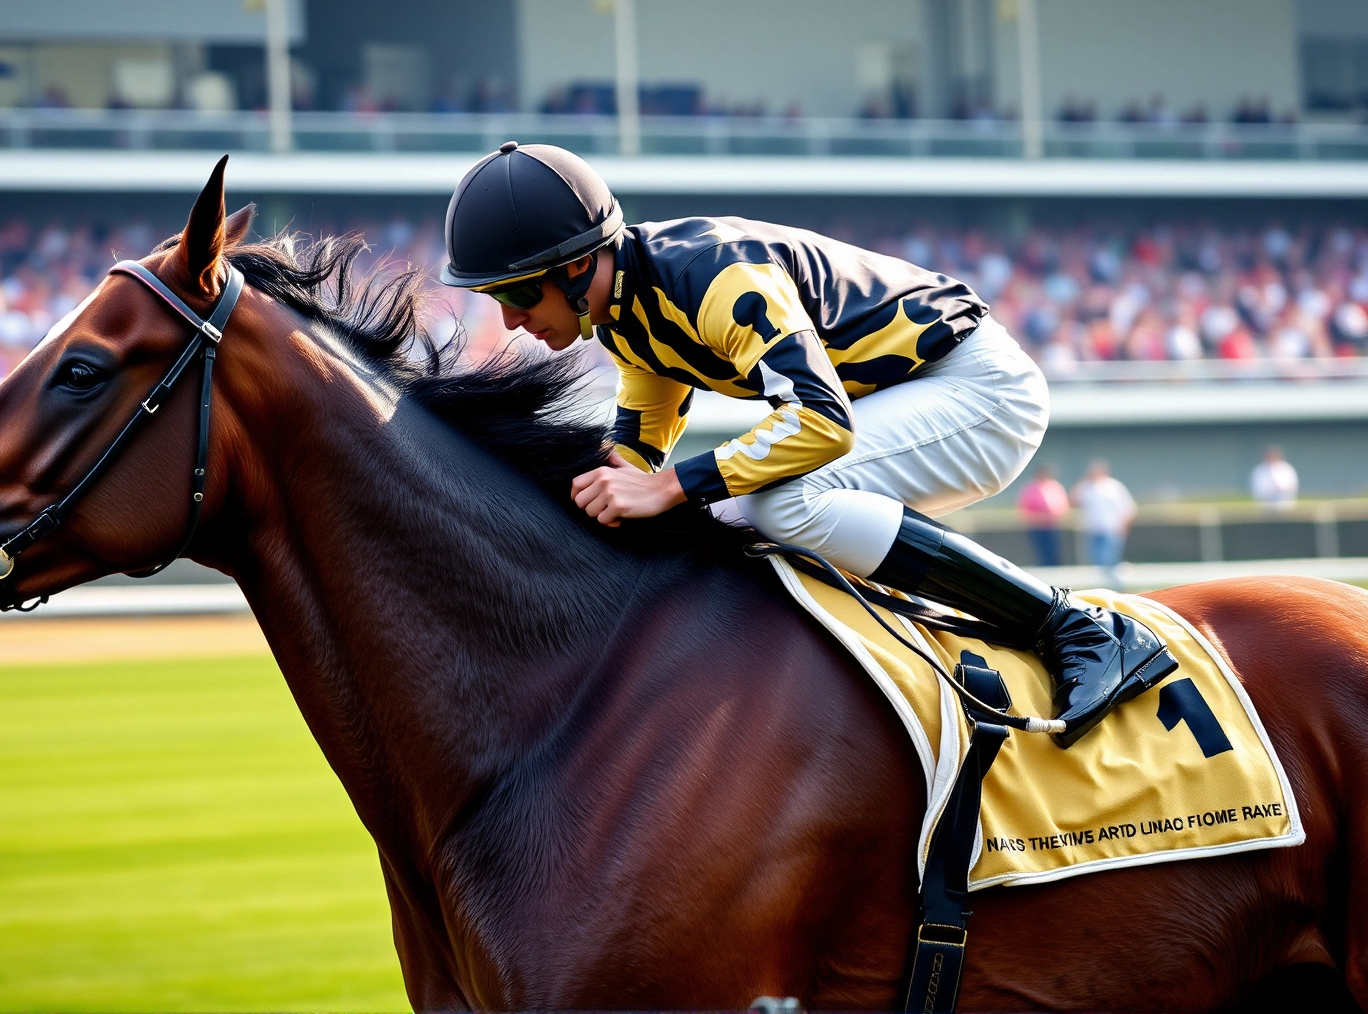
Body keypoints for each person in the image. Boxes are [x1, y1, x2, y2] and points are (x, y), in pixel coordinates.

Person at [438, 142, 1173, 746]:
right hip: (905, 396)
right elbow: (634, 455)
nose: (507, 323)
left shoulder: (710, 278)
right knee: (723, 517)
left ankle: (1076, 627)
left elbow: (821, 421)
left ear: (574, 268)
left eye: (516, 295)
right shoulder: (629, 316)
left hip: (979, 392)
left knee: (782, 500)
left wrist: (669, 487)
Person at [1073, 460, 1135, 588]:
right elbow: (1074, 500)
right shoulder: (1087, 486)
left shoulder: (1114, 486)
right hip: (1092, 531)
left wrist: (1124, 528)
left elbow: (1128, 509)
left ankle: (1119, 587)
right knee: (1095, 563)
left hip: (1110, 531)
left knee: (1108, 561)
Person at [1016, 464, 1069, 567]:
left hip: (1053, 526)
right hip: (1037, 527)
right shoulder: (1030, 489)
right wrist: (1040, 518)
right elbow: (1024, 510)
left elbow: (1063, 506)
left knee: (1054, 552)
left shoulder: (1055, 487)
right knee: (1041, 553)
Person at [1251, 446, 1299, 511]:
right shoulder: (1259, 471)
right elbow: (1257, 490)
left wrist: (1281, 489)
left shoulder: (1287, 469)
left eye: (1273, 456)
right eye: (1269, 456)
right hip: (1265, 508)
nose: (1271, 458)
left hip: (1286, 507)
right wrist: (1271, 490)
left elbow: (1292, 486)